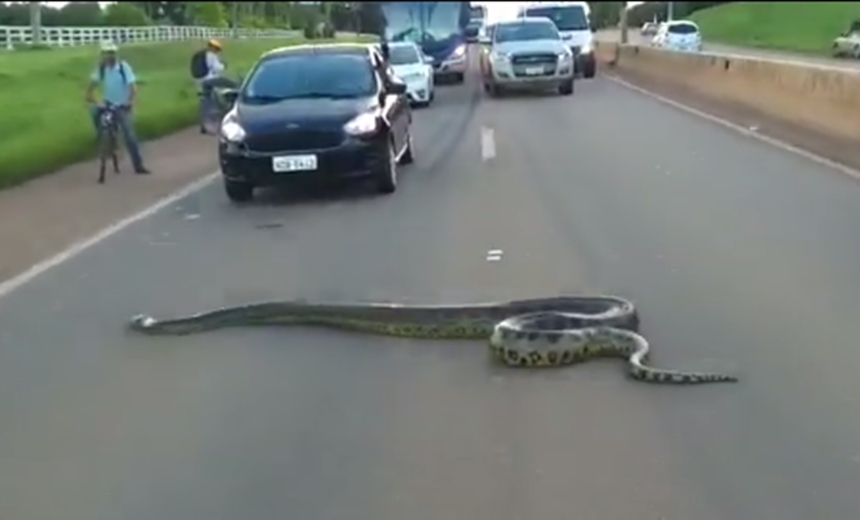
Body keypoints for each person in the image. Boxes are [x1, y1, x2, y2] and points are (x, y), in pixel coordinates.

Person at [85, 40, 150, 175]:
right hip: (108, 103)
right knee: (95, 114)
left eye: (111, 53)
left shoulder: (123, 67)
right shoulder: (101, 68)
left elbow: (132, 87)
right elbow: (89, 90)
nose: (109, 57)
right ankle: (103, 142)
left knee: (129, 135)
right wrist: (96, 102)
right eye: (106, 54)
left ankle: (138, 165)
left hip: (122, 105)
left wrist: (129, 101)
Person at [192, 39, 239, 134]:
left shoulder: (200, 54)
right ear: (215, 48)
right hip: (209, 79)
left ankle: (205, 124)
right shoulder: (211, 55)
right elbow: (216, 68)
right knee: (232, 84)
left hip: (199, 81)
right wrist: (224, 66)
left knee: (206, 101)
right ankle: (233, 102)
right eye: (217, 49)